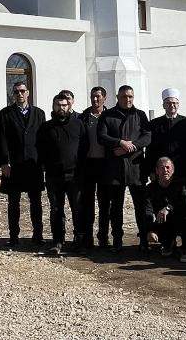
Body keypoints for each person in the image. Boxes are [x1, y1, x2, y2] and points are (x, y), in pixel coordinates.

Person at [97, 85, 152, 252]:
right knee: (116, 208)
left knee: (141, 206)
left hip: (136, 168)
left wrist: (131, 146)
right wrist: (119, 142)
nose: (127, 99)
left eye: (130, 96)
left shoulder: (140, 115)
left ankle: (144, 240)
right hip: (114, 168)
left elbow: (147, 136)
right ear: (118, 97)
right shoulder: (107, 115)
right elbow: (101, 136)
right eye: (124, 96)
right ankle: (117, 240)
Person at [36, 91, 88, 255]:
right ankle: (58, 241)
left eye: (64, 105)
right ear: (53, 106)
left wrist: (80, 168)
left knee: (77, 209)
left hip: (75, 175)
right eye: (58, 105)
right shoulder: (46, 127)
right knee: (56, 209)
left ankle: (79, 241)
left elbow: (85, 148)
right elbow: (40, 149)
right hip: (54, 176)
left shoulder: (78, 125)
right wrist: (46, 166)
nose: (61, 108)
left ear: (69, 106)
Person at [0, 81, 46, 249]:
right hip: (14, 165)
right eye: (16, 91)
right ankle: (13, 236)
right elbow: (1, 139)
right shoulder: (5, 114)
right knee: (13, 203)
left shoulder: (39, 113)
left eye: (22, 91)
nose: (20, 94)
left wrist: (43, 163)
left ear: (28, 93)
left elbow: (42, 139)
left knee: (36, 202)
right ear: (13, 94)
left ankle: (38, 235)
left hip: (33, 164)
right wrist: (4, 162)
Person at [146, 88, 186, 241]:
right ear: (163, 105)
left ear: (178, 104)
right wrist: (152, 171)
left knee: (184, 204)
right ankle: (167, 239)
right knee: (163, 204)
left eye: (175, 103)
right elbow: (150, 150)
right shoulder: (155, 124)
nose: (172, 106)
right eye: (169, 103)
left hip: (183, 172)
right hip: (163, 173)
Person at [144, 156, 186, 263]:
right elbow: (147, 210)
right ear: (157, 171)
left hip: (180, 218)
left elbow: (184, 203)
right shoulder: (150, 188)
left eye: (168, 167)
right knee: (157, 219)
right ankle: (168, 243)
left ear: (173, 170)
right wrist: (150, 230)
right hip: (163, 220)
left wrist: (168, 208)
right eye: (162, 168)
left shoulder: (181, 185)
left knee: (184, 216)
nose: (165, 170)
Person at [78, 86, 111, 249]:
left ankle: (103, 237)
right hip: (88, 164)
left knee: (105, 203)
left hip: (105, 164)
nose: (95, 99)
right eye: (93, 96)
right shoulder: (83, 117)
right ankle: (88, 237)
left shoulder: (110, 116)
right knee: (87, 203)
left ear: (104, 98)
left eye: (98, 96)